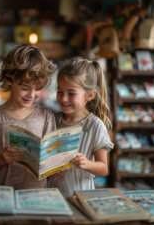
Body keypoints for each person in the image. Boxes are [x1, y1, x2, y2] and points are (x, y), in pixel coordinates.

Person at [0, 44, 56, 190]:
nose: (31, 95)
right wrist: (2, 158)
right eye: (25, 88)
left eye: (37, 88)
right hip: (3, 195)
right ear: (9, 79)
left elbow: (52, 161)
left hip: (38, 195)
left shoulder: (46, 116)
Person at [49, 57, 114, 196]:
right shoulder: (54, 120)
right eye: (60, 91)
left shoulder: (95, 126)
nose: (63, 98)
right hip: (53, 195)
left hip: (80, 197)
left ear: (90, 95)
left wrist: (86, 163)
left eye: (71, 93)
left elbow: (103, 169)